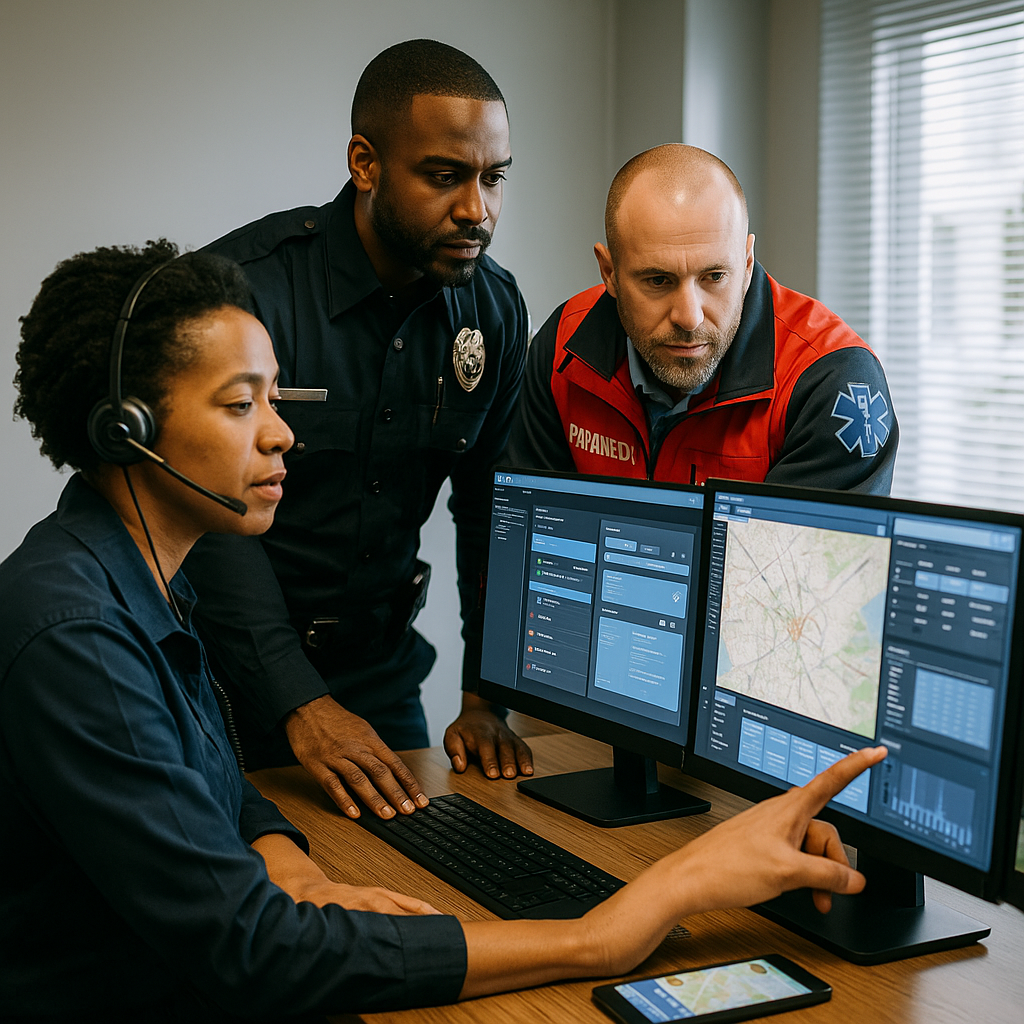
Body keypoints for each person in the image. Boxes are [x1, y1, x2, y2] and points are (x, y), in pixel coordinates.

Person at [1, 239, 888, 1021]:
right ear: (130, 432)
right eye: (242, 407)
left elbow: (204, 783)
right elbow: (258, 953)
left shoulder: (131, 578)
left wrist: (288, 863)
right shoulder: (77, 637)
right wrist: (609, 933)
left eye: (277, 399)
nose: (282, 437)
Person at [185, 39, 532, 823]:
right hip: (222, 678)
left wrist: (485, 697)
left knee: (428, 871)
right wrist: (301, 704)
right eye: (445, 176)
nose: (477, 208)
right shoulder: (245, 294)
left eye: (494, 177)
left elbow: (491, 513)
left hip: (379, 678)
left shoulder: (495, 313)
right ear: (366, 163)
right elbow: (207, 515)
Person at [506, 144, 898, 493]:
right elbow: (527, 543)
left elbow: (793, 573)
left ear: (746, 264)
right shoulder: (562, 345)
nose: (689, 317)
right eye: (658, 280)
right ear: (609, 272)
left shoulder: (833, 383)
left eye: (714, 277)